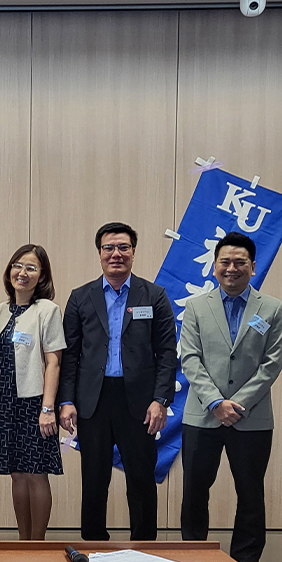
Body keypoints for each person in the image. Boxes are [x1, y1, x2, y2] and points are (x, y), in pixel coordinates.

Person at [59, 221, 177, 541]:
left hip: (139, 401)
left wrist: (160, 400)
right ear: (99, 254)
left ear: (133, 253)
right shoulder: (80, 297)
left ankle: (144, 548)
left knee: (140, 478)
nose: (116, 254)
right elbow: (70, 355)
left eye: (123, 247)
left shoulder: (153, 295)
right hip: (93, 400)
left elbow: (167, 353)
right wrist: (66, 400)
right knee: (94, 479)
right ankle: (94, 545)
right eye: (109, 248)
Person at [179, 232, 282, 562]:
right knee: (195, 492)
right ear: (214, 267)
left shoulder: (272, 308)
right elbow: (190, 358)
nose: (232, 268)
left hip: (252, 418)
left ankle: (245, 561)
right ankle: (195, 556)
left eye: (240, 262)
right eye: (225, 261)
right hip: (202, 416)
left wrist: (236, 404)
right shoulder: (196, 306)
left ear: (253, 267)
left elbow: (272, 363)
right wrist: (216, 402)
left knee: (251, 493)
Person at [0, 245, 66, 541]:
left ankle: (39, 543)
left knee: (36, 473)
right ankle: (23, 542)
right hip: (6, 402)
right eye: (17, 266)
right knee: (16, 473)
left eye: (31, 268)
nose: (22, 273)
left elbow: (54, 361)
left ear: (42, 275)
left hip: (35, 403)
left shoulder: (47, 310)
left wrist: (48, 409)